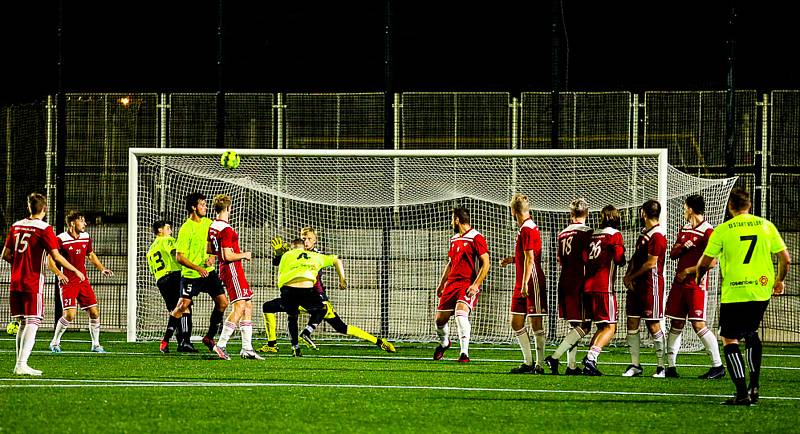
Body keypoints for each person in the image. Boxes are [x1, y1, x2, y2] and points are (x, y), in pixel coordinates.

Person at [696, 188, 791, 406]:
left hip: (735, 291)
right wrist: (778, 281)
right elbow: (786, 259)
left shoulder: (722, 230)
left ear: (730, 207)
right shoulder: (765, 225)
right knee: (751, 332)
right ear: (749, 205)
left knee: (730, 339)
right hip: (761, 290)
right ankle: (754, 387)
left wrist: (699, 277)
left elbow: (705, 262)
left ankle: (741, 394)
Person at [258, 227, 396, 354]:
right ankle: (273, 344)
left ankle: (378, 342)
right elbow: (278, 262)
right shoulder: (294, 252)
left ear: (315, 240)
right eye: (303, 238)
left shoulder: (315, 255)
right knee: (273, 309)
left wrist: (342, 278)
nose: (306, 241)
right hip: (301, 296)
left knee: (341, 327)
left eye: (309, 239)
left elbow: (335, 260)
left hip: (315, 297)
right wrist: (279, 252)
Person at [2, 193, 85, 376]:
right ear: (45, 209)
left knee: (23, 322)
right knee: (33, 321)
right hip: (32, 281)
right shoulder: (44, 228)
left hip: (15, 280)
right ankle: (22, 364)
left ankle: (19, 364)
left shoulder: (16, 226)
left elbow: (6, 255)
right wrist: (75, 270)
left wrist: (20, 265)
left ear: (29, 207)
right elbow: (56, 256)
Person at [664, 195, 725, 379]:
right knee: (676, 323)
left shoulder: (708, 231)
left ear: (690, 209)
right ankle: (671, 367)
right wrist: (683, 247)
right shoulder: (684, 228)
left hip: (696, 285)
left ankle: (717, 366)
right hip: (679, 285)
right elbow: (673, 253)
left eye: (684, 208)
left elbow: (713, 262)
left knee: (698, 324)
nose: (683, 211)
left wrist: (689, 271)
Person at [166, 192, 228, 353]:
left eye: (206, 204)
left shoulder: (209, 223)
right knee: (183, 305)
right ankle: (168, 340)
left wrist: (213, 257)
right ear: (194, 207)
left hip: (209, 272)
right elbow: (179, 257)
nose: (205, 207)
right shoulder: (186, 228)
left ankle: (209, 337)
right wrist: (197, 268)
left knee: (223, 303)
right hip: (192, 274)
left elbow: (216, 244)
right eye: (202, 205)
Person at [47, 211, 114, 353]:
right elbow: (50, 261)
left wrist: (102, 268)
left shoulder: (85, 237)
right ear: (72, 223)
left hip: (83, 280)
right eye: (81, 221)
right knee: (70, 315)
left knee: (95, 312)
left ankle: (96, 344)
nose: (85, 223)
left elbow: (90, 254)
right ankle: (55, 342)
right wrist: (59, 274)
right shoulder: (60, 239)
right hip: (68, 282)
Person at [206, 194, 263, 360]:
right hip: (232, 269)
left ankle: (247, 348)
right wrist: (244, 254)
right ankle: (221, 345)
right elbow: (228, 255)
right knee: (239, 307)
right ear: (228, 208)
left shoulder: (212, 226)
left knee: (248, 306)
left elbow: (210, 249)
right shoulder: (226, 229)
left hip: (229, 269)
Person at [432, 207, 491, 363]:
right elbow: (451, 263)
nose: (452, 222)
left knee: (460, 315)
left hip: (466, 284)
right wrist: (441, 284)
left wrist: (476, 285)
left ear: (457, 220)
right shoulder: (454, 239)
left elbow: (486, 263)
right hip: (451, 284)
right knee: (439, 321)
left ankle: (464, 353)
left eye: (453, 219)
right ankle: (444, 343)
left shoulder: (476, 237)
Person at [545, 199, 593, 375]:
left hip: (564, 280)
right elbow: (589, 258)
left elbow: (559, 259)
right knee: (585, 325)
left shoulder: (562, 233)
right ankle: (555, 357)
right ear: (587, 213)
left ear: (571, 214)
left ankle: (571, 366)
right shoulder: (587, 232)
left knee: (575, 327)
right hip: (579, 281)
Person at [500, 193, 547, 374]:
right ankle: (528, 362)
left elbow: (530, 258)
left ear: (513, 211)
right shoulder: (526, 228)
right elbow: (525, 255)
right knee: (516, 322)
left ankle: (540, 365)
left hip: (531, 280)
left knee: (536, 323)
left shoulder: (527, 229)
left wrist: (526, 283)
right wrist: (513, 259)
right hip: (523, 279)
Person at [276, 238, 347, 357]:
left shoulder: (286, 255)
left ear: (292, 247)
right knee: (323, 308)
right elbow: (337, 260)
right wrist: (342, 279)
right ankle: (307, 331)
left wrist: (280, 252)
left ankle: (294, 347)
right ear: (303, 247)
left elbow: (278, 266)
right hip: (306, 290)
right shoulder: (314, 255)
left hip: (287, 290)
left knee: (291, 316)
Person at [622, 200, 668, 378]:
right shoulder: (644, 234)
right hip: (637, 287)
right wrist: (629, 275)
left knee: (653, 324)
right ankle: (635, 365)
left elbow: (651, 263)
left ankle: (661, 367)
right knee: (632, 323)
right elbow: (635, 258)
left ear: (643, 213)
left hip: (651, 286)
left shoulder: (657, 235)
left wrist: (630, 277)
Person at [580, 205, 626, 376]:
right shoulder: (614, 235)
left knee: (601, 326)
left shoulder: (592, 235)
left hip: (587, 286)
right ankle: (591, 358)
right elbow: (619, 258)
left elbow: (584, 258)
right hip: (603, 287)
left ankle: (589, 362)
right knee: (611, 327)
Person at [146, 220, 185, 353]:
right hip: (173, 275)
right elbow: (175, 253)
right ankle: (182, 341)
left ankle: (175, 342)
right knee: (184, 306)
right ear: (160, 230)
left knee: (174, 310)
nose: (171, 231)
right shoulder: (167, 240)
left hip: (160, 280)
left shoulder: (150, 249)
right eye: (168, 228)